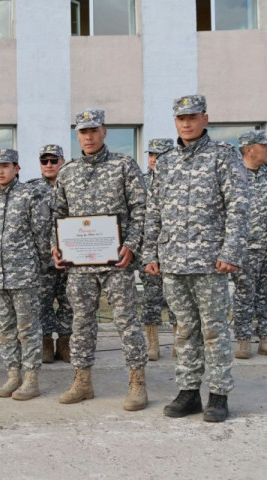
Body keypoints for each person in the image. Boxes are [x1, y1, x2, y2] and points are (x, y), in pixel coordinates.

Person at [143, 94, 249, 422]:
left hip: (210, 262)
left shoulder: (223, 157)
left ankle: (218, 394)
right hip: (174, 260)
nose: (186, 123)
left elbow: (238, 205)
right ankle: (189, 392)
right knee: (184, 328)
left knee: (214, 328)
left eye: (192, 116)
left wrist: (231, 252)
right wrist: (150, 252)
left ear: (205, 117)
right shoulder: (167, 161)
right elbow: (154, 209)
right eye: (180, 118)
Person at [51, 109, 148, 411]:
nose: (89, 136)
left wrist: (131, 245)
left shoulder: (123, 166)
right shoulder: (68, 172)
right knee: (81, 323)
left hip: (115, 262)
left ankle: (137, 382)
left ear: (104, 131)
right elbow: (57, 214)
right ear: (77, 135)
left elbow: (141, 209)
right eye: (83, 132)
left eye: (94, 130)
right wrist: (57, 246)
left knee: (126, 321)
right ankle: (83, 382)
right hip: (79, 266)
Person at [0, 148, 50, 400]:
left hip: (23, 274)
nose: (0, 170)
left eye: (5, 166)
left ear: (17, 168)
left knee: (28, 328)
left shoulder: (31, 195)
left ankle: (31, 378)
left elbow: (42, 234)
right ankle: (13, 375)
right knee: (6, 329)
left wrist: (39, 267)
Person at [28, 144, 73, 363]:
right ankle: (46, 342)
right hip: (42, 259)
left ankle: (64, 343)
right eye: (44, 161)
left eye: (53, 161)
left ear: (62, 162)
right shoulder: (30, 189)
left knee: (68, 302)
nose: (48, 165)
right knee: (42, 302)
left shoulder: (74, 186)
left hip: (70, 257)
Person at [138, 138, 178, 361]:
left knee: (176, 297)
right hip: (148, 248)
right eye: (151, 155)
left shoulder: (177, 180)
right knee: (151, 297)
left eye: (159, 155)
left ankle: (178, 342)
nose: (154, 159)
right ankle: (152, 344)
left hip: (173, 247)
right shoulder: (141, 182)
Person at [230, 130, 267, 359]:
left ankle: (265, 338)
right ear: (249, 149)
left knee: (265, 294)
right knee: (245, 295)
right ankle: (243, 340)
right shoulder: (235, 174)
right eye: (263, 146)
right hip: (245, 248)